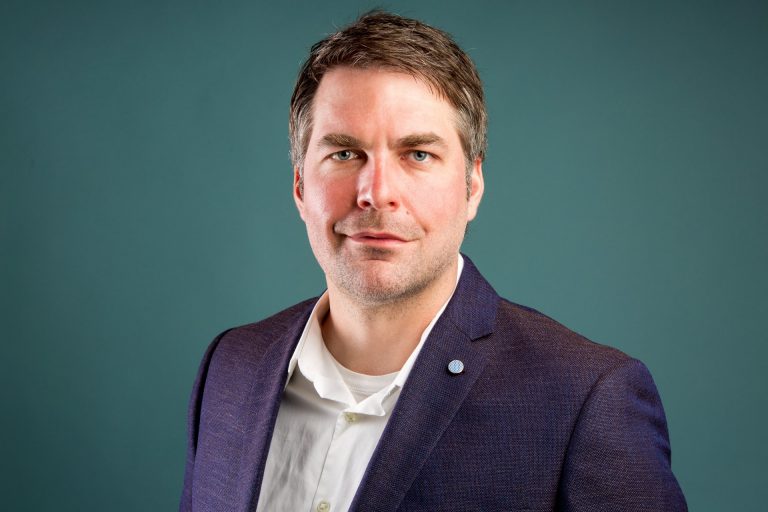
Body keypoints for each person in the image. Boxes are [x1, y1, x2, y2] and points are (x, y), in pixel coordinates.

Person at [179, 11, 687, 512]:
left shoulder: (583, 400)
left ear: (473, 185)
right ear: (299, 185)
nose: (376, 193)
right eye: (345, 154)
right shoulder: (232, 366)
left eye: (418, 154)